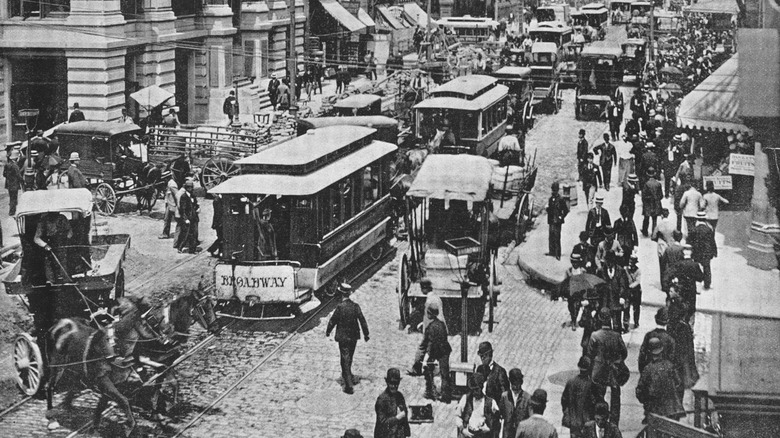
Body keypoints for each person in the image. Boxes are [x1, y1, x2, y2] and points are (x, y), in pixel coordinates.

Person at [587, 307, 628, 426]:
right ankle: (614, 422)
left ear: (600, 319)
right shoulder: (616, 335)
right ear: (610, 319)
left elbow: (589, 354)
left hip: (599, 370)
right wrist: (617, 361)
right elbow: (624, 352)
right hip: (613, 370)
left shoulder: (595, 335)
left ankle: (600, 418)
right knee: (615, 397)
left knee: (598, 396)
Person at [326, 283, 369, 394]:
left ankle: (348, 385)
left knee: (344, 359)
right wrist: (366, 334)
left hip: (343, 337)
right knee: (349, 357)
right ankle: (348, 374)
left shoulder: (340, 307)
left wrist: (328, 331)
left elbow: (333, 320)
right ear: (349, 293)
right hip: (353, 337)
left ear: (341, 294)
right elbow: (362, 320)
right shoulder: (355, 306)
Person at [635, 337, 684, 422]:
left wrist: (646, 402)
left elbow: (640, 391)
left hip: (655, 411)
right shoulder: (670, 366)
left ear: (649, 352)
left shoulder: (648, 369)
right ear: (662, 349)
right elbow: (678, 383)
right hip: (673, 410)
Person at [667, 302, 699, 403]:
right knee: (678, 393)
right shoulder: (685, 327)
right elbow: (689, 349)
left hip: (671, 362)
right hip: (680, 364)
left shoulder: (670, 325)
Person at [420, 305, 452, 402]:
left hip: (435, 351)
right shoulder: (441, 324)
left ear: (429, 314)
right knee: (444, 373)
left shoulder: (430, 328)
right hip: (444, 351)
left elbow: (429, 345)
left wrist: (425, 360)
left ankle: (430, 391)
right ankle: (446, 395)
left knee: (427, 369)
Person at [561, 356, 597, 438]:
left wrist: (568, 413)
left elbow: (564, 400)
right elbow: (594, 403)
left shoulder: (570, 382)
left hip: (573, 422)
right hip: (587, 422)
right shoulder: (591, 384)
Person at [456, 374, 500, 438]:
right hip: (468, 434)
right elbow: (457, 416)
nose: (474, 392)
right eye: (472, 390)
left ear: (481, 387)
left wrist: (489, 428)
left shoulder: (491, 402)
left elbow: (497, 420)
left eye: (476, 390)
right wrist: (462, 430)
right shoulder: (465, 398)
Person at [34, 212, 73, 284]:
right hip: (49, 245)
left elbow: (70, 231)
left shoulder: (62, 218)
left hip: (61, 244)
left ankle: (67, 280)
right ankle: (51, 282)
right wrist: (45, 245)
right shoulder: (43, 221)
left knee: (64, 261)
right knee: (49, 263)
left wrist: (67, 238)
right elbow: (36, 238)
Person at [374, 368, 410, 438]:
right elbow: (382, 423)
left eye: (396, 383)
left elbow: (404, 415)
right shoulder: (382, 400)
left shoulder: (400, 396)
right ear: (387, 382)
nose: (394, 386)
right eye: (391, 383)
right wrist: (397, 418)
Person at [638, 307, 676, 373]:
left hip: (649, 371)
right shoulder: (670, 339)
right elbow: (672, 359)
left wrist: (643, 371)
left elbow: (642, 355)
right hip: (664, 373)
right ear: (668, 321)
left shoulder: (649, 335)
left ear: (655, 319)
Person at [687, 210, 716, 290]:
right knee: (707, 267)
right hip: (706, 251)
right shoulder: (709, 229)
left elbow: (689, 241)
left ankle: (697, 284)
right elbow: (712, 241)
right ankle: (707, 284)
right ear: (705, 219)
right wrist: (714, 252)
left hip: (696, 251)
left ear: (697, 219)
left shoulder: (693, 229)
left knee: (696, 268)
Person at [476, 341, 510, 408]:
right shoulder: (479, 369)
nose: (482, 358)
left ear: (490, 355)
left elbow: (504, 396)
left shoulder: (500, 372)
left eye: (485, 356)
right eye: (481, 356)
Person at [500, 368, 532, 438]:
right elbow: (502, 413)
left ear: (521, 382)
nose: (516, 386)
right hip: (508, 434)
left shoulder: (527, 397)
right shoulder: (505, 396)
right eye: (513, 383)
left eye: (518, 383)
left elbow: (530, 418)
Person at [546, 181, 569, 260]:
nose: (553, 192)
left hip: (557, 221)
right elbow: (549, 209)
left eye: (555, 190)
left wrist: (561, 217)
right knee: (551, 236)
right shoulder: (550, 199)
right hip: (551, 220)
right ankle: (551, 251)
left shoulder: (561, 199)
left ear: (557, 190)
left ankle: (557, 253)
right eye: (553, 190)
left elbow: (566, 210)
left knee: (557, 237)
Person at [176, 180, 199, 253]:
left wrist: (198, 208)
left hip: (194, 217)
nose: (191, 189)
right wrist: (185, 219)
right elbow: (182, 209)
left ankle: (193, 249)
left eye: (192, 187)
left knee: (194, 234)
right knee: (185, 234)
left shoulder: (193, 196)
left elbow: (195, 204)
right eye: (189, 187)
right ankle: (180, 247)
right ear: (186, 188)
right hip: (188, 218)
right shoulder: (184, 197)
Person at [641, 167, 663, 237]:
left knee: (646, 219)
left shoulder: (646, 184)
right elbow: (661, 195)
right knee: (654, 220)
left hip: (648, 204)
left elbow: (643, 196)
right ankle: (653, 233)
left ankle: (645, 231)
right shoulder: (658, 184)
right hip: (656, 204)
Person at [624, 254, 642, 330]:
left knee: (636, 307)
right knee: (626, 307)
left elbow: (638, 281)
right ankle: (625, 323)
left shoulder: (638, 270)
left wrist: (630, 286)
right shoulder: (625, 270)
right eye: (630, 261)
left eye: (633, 262)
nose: (631, 263)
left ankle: (636, 321)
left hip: (636, 291)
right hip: (627, 290)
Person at [159, 173, 178, 239]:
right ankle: (165, 234)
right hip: (169, 204)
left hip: (173, 205)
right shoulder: (169, 183)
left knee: (179, 221)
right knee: (166, 219)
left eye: (164, 179)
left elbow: (177, 195)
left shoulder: (172, 184)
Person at [4, 148, 22, 216]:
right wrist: (22, 182)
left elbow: (4, 174)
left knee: (11, 197)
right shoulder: (15, 166)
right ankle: (12, 211)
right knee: (14, 198)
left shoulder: (7, 165)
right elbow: (19, 175)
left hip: (8, 184)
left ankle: (12, 210)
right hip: (14, 184)